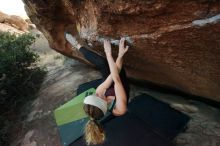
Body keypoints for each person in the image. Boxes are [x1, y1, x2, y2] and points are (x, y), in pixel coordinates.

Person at [65, 33, 130, 145]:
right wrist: (117, 54)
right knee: (116, 70)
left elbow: (113, 74)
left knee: (103, 64)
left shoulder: (99, 92)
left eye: (93, 95)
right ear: (103, 104)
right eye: (97, 96)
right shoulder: (120, 109)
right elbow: (117, 78)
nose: (96, 92)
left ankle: (78, 46)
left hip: (111, 84)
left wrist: (110, 56)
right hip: (121, 85)